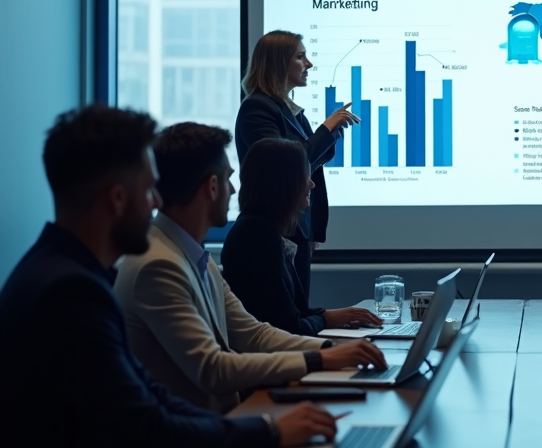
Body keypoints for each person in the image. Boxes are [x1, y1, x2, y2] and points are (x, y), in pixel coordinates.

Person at [0, 106, 342, 448]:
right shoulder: (70, 293)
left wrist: (264, 427)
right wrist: (270, 430)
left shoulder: (67, 274)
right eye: (148, 191)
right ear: (116, 199)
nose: (158, 202)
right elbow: (151, 431)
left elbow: (149, 398)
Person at [115, 122, 386, 413]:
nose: (233, 190)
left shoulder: (188, 254)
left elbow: (254, 334)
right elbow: (213, 368)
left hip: (218, 426)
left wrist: (331, 350)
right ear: (212, 186)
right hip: (193, 443)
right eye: (229, 179)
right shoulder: (158, 265)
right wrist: (318, 360)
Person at [235, 30, 359, 294]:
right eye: (301, 57)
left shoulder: (291, 112)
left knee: (298, 313)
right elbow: (285, 165)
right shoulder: (257, 108)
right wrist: (327, 128)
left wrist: (313, 230)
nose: (309, 65)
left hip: (297, 231)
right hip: (274, 232)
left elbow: (310, 165)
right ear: (279, 63)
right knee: (286, 320)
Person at [221, 138, 371, 336]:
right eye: (304, 175)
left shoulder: (264, 228)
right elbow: (288, 327)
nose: (311, 184)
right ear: (283, 181)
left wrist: (331, 315)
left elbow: (292, 313)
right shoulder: (255, 234)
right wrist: (326, 319)